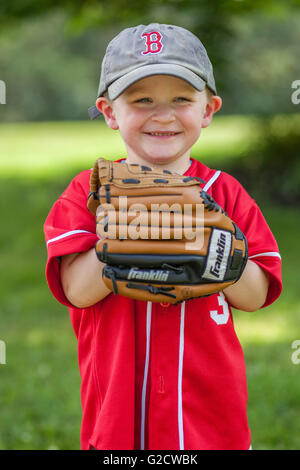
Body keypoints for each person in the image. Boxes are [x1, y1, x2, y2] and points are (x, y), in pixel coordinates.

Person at [44, 23, 282, 450]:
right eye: (142, 100)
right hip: (118, 418)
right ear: (109, 111)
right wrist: (127, 233)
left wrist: (215, 247)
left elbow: (258, 295)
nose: (163, 114)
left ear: (208, 110)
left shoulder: (224, 193)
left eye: (181, 99)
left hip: (210, 418)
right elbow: (77, 291)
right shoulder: (88, 192)